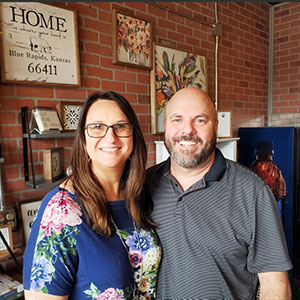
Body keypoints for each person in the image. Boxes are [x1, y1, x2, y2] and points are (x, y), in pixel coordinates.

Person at [146, 86, 292, 299]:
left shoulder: (252, 191)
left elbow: (274, 283)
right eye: (177, 120)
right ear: (166, 126)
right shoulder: (144, 185)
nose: (187, 131)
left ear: (215, 127)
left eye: (200, 120)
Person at [23, 91, 161, 300]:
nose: (110, 137)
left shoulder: (142, 193)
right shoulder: (60, 211)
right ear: (83, 139)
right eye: (97, 127)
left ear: (133, 135)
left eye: (120, 126)